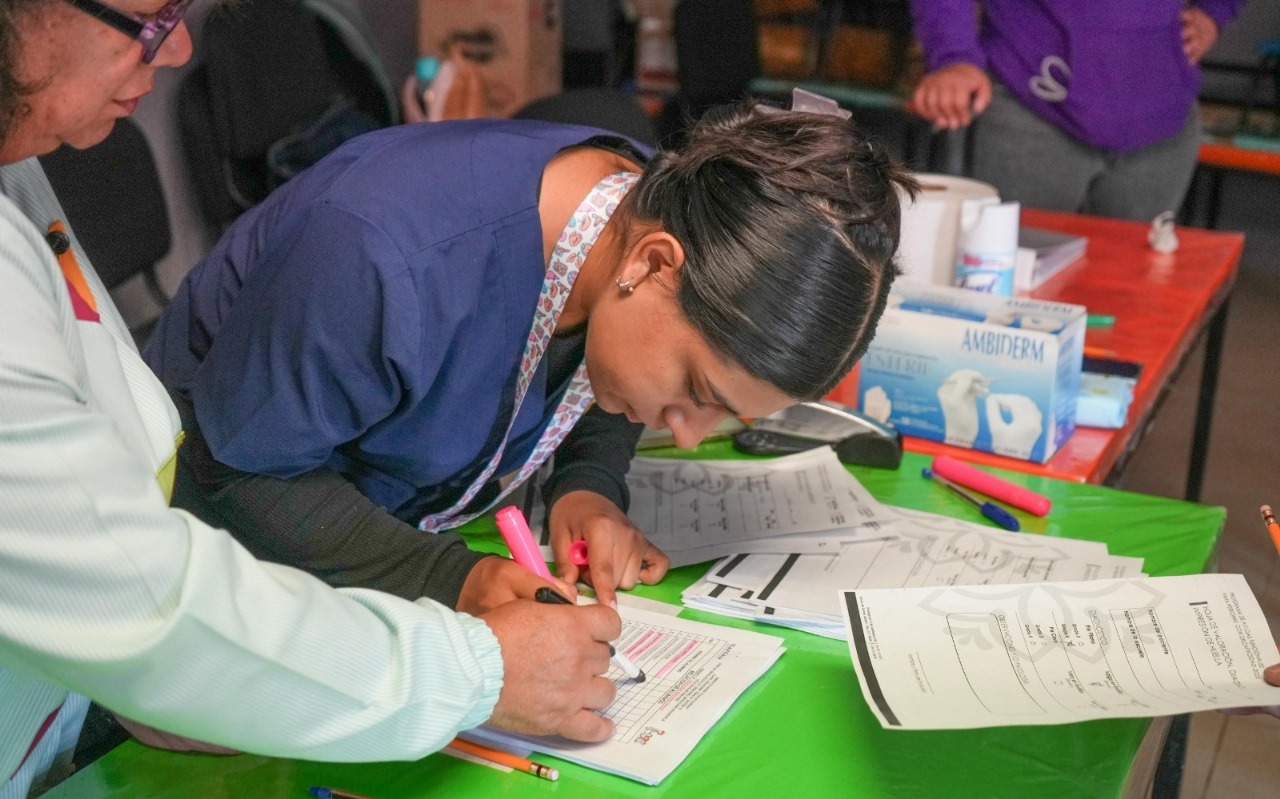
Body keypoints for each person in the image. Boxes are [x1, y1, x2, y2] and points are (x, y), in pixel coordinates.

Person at [0, 1, 625, 795]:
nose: (180, 46)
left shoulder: (18, 153)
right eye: (152, 19)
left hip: (78, 699)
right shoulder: (379, 246)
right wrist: (478, 669)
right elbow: (143, 599)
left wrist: (160, 685)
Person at [142, 100, 914, 611]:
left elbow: (592, 362)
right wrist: (458, 580)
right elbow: (240, 466)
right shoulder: (383, 256)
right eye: (694, 388)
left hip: (392, 521)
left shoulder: (645, 204)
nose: (683, 432)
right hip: (215, 540)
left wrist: (587, 487)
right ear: (652, 263)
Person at [908, 0, 1245, 222]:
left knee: (1133, 292)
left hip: (1159, 110)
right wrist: (952, 55)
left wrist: (1215, 11)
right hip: (1032, 99)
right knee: (1006, 285)